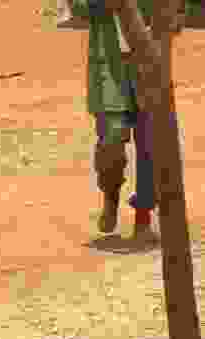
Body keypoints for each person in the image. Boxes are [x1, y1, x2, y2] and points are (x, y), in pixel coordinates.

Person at [70, 0, 176, 243]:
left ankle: (143, 217)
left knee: (150, 142)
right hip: (109, 64)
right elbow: (77, 6)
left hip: (149, 61)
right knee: (111, 139)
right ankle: (110, 193)